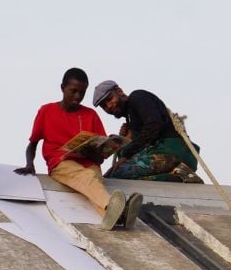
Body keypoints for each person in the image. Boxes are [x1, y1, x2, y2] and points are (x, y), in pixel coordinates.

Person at [14, 68, 142, 231]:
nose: (77, 97)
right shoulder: (46, 111)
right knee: (89, 179)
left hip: (89, 163)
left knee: (93, 182)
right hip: (61, 163)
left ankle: (117, 215)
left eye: (82, 93)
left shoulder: (91, 115)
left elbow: (101, 155)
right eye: (73, 91)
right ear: (62, 88)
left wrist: (100, 150)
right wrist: (29, 164)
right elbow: (32, 144)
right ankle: (120, 210)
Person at [92, 80, 203, 183]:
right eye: (104, 106)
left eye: (109, 99)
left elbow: (154, 124)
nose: (109, 106)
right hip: (164, 154)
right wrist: (126, 139)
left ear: (119, 91)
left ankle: (181, 176)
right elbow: (141, 142)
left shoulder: (138, 97)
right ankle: (178, 176)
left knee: (117, 174)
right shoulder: (131, 118)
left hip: (171, 151)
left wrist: (126, 154)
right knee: (110, 177)